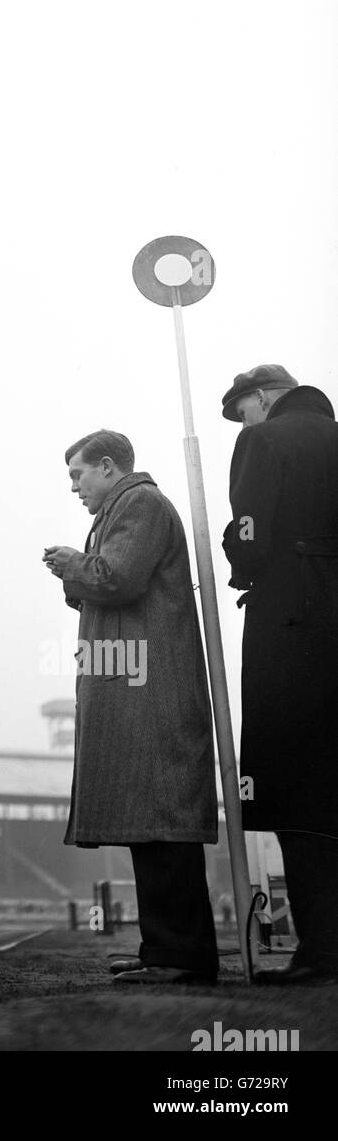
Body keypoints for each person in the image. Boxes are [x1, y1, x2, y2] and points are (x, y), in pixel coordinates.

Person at [44, 430, 219, 986]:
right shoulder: (123, 506)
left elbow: (116, 578)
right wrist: (77, 570)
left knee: (162, 818)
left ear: (107, 466)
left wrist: (76, 561)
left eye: (78, 475)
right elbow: (99, 583)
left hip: (152, 688)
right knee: (148, 818)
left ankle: (182, 956)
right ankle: (161, 948)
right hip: (135, 682)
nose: (74, 487)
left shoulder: (140, 502)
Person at [220, 364, 338, 985]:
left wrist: (236, 555)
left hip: (293, 618)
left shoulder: (263, 441)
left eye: (243, 411)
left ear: (263, 399)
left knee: (298, 787)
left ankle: (321, 951)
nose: (243, 423)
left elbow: (251, 534)